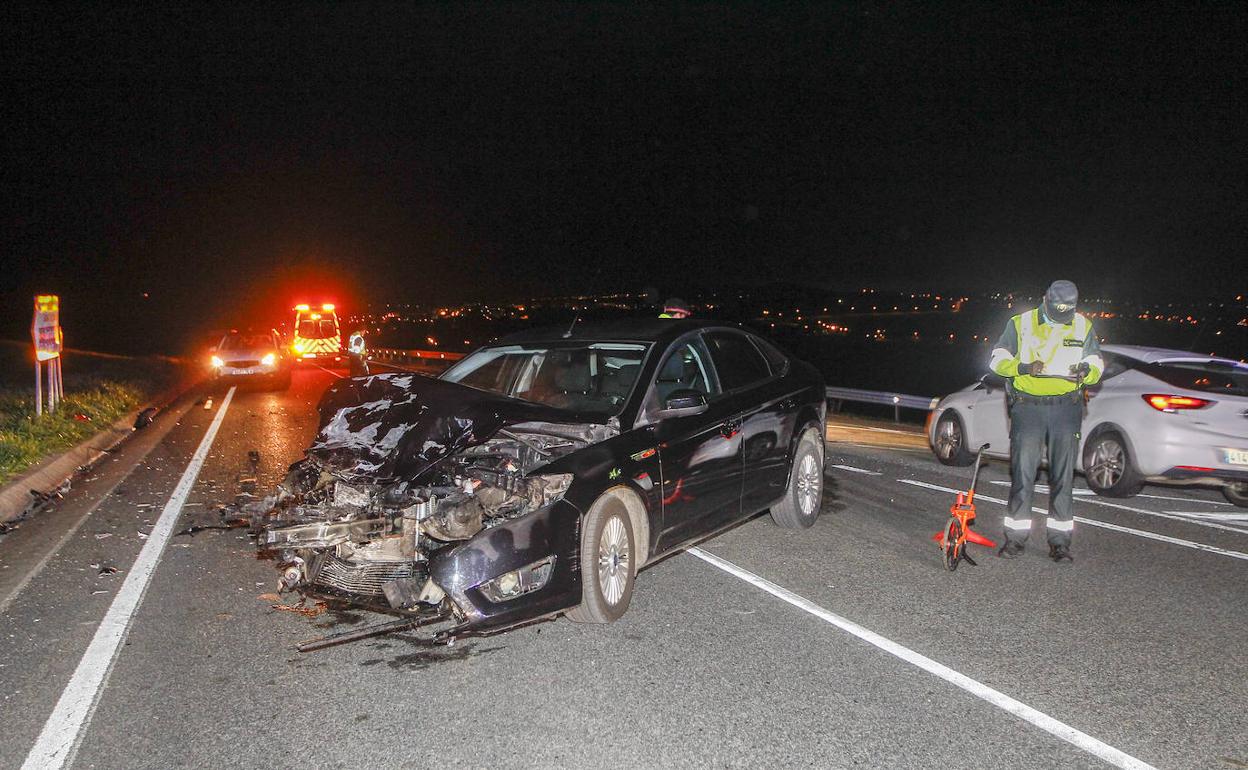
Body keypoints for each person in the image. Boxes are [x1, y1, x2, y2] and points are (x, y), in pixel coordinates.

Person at [989, 280, 1103, 563]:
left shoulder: (1082, 325)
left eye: (1067, 311)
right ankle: (1015, 540)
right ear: (1045, 300)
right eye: (1057, 311)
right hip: (1028, 407)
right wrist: (1022, 367)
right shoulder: (1021, 323)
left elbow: (1097, 364)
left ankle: (1060, 544)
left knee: (1063, 478)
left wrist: (1087, 372)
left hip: (1067, 409)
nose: (1062, 316)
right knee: (1023, 475)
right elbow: (995, 359)